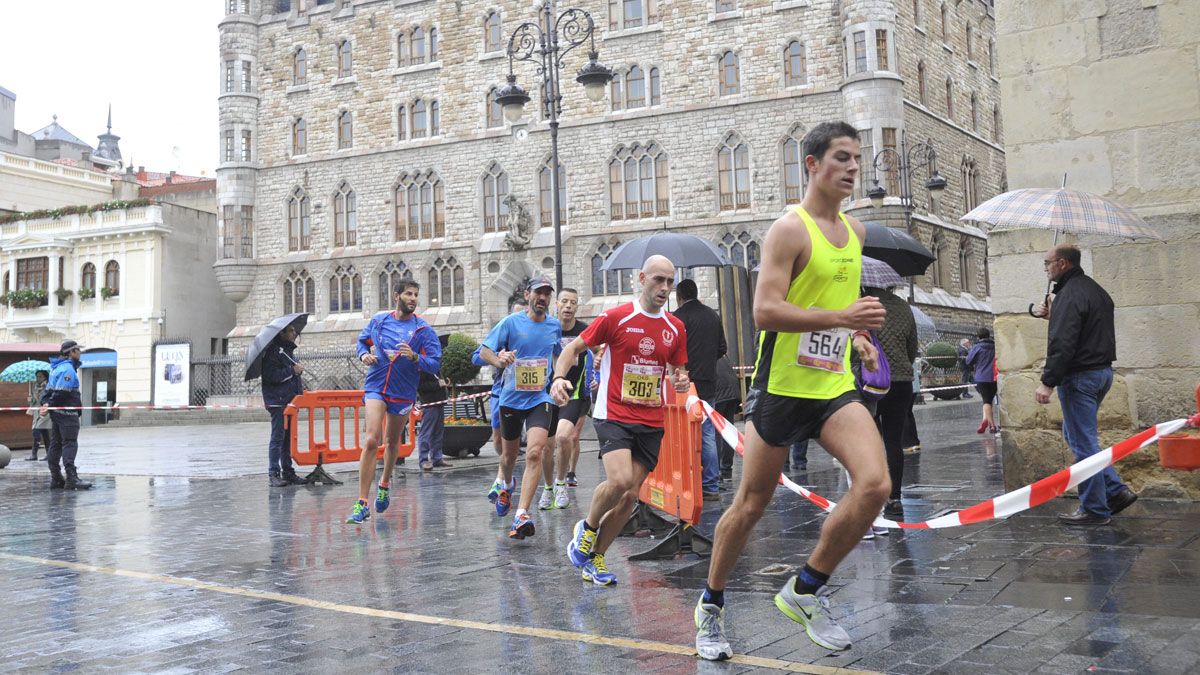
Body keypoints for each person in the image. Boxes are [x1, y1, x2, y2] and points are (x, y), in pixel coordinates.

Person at [694, 121, 887, 660]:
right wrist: (841, 315)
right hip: (781, 387)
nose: (853, 168)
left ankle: (805, 589)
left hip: (833, 387)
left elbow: (837, 309)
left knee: (874, 485)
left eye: (857, 159)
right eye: (842, 158)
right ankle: (710, 604)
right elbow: (765, 312)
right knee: (751, 503)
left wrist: (859, 336)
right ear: (812, 164)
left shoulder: (857, 233)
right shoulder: (789, 229)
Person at [555, 255, 690, 587]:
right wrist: (559, 378)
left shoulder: (676, 328)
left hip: (651, 420)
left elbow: (678, 370)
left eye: (670, 282)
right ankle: (586, 529)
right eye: (659, 280)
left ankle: (597, 558)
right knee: (618, 481)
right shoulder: (616, 317)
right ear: (642, 278)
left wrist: (681, 380)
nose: (665, 288)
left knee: (630, 496)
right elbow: (573, 348)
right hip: (613, 413)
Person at [1033, 244, 1136, 526]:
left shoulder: (1068, 295)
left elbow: (1063, 343)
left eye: (1048, 262)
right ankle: (1114, 491)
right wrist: (1053, 316)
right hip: (1101, 373)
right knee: (1077, 435)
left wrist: (1048, 382)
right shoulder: (1094, 290)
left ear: (1063, 263)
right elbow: (1084, 330)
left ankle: (1094, 509)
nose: (1045, 268)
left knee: (1083, 443)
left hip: (1079, 377)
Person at [346, 279, 442, 524]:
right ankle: (361, 503)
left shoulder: (423, 330)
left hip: (403, 391)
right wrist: (364, 354)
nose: (413, 298)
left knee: (391, 442)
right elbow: (361, 341)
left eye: (416, 294)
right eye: (408, 294)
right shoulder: (379, 320)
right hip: (376, 385)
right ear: (396, 295)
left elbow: (435, 362)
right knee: (371, 440)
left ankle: (385, 483)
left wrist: (415, 357)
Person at [478, 276, 562, 539]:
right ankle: (507, 482)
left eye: (548, 294)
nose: (543, 298)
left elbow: (558, 353)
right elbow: (484, 351)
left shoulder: (554, 326)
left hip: (540, 398)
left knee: (535, 452)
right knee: (508, 457)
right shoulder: (510, 323)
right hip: (511, 399)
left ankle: (522, 513)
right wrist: (499, 359)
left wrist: (559, 378)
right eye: (539, 293)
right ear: (528, 295)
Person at [863, 285, 918, 518]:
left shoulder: (864, 305)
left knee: (869, 440)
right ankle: (895, 498)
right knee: (893, 441)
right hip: (900, 381)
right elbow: (912, 347)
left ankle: (871, 495)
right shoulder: (903, 307)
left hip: (871, 381)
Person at [672, 278, 728, 501]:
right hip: (708, 383)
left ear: (679, 296)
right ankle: (711, 485)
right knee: (707, 434)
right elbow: (722, 348)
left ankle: (688, 480)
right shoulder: (712, 315)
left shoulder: (677, 318)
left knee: (682, 433)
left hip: (684, 383)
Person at [542, 288, 594, 510]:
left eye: (573, 302)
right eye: (564, 301)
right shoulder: (547, 328)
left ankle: (561, 481)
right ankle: (547, 488)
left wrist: (598, 376)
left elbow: (602, 350)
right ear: (557, 304)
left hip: (574, 393)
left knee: (565, 438)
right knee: (545, 446)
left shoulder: (585, 330)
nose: (568, 306)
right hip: (547, 393)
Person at [38, 340, 93, 490]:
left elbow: (47, 393)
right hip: (67, 414)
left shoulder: (56, 369)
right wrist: (48, 405)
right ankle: (71, 479)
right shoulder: (68, 369)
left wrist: (46, 404)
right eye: (78, 351)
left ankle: (56, 478)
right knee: (69, 443)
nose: (80, 353)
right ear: (72, 352)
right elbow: (62, 392)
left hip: (57, 415)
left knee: (56, 444)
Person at [261, 323, 306, 487]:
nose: (295, 333)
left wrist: (299, 395)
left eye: (295, 330)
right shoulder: (274, 352)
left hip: (290, 401)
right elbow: (270, 376)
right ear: (282, 333)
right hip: (278, 401)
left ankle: (288, 471)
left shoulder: (288, 352)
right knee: (278, 438)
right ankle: (274, 473)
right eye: (291, 330)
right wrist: (292, 371)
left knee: (287, 440)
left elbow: (294, 378)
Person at [712, 355, 741, 481]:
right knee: (729, 431)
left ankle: (716, 470)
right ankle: (727, 468)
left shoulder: (702, 356)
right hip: (733, 393)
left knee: (715, 434)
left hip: (719, 395)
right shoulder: (722, 355)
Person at [416, 368, 451, 471]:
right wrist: (438, 384)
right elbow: (420, 386)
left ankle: (437, 458)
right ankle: (423, 460)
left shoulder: (435, 367)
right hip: (430, 404)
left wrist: (443, 384)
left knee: (438, 433)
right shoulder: (422, 368)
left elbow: (438, 381)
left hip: (439, 403)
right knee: (426, 433)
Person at [965, 327, 998, 434]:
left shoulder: (977, 347)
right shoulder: (995, 346)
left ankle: (992, 425)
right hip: (994, 377)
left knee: (986, 401)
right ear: (989, 335)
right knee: (989, 400)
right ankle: (985, 420)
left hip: (981, 377)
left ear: (978, 336)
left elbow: (968, 361)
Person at [27, 371, 51, 461]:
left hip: (44, 412)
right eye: (37, 376)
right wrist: (30, 399)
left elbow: (46, 398)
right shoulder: (35, 387)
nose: (38, 378)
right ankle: (45, 454)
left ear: (45, 377)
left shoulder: (48, 386)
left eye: (40, 376)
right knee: (44, 433)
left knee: (36, 431)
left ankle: (35, 454)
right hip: (36, 412)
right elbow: (34, 401)